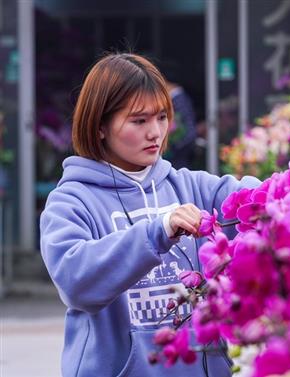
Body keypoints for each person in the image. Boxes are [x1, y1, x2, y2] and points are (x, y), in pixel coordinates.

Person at [39, 53, 260, 377]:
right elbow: (76, 281)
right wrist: (157, 231)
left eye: (161, 117)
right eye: (139, 121)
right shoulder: (72, 201)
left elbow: (255, 199)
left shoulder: (193, 187)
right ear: (100, 126)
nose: (156, 132)